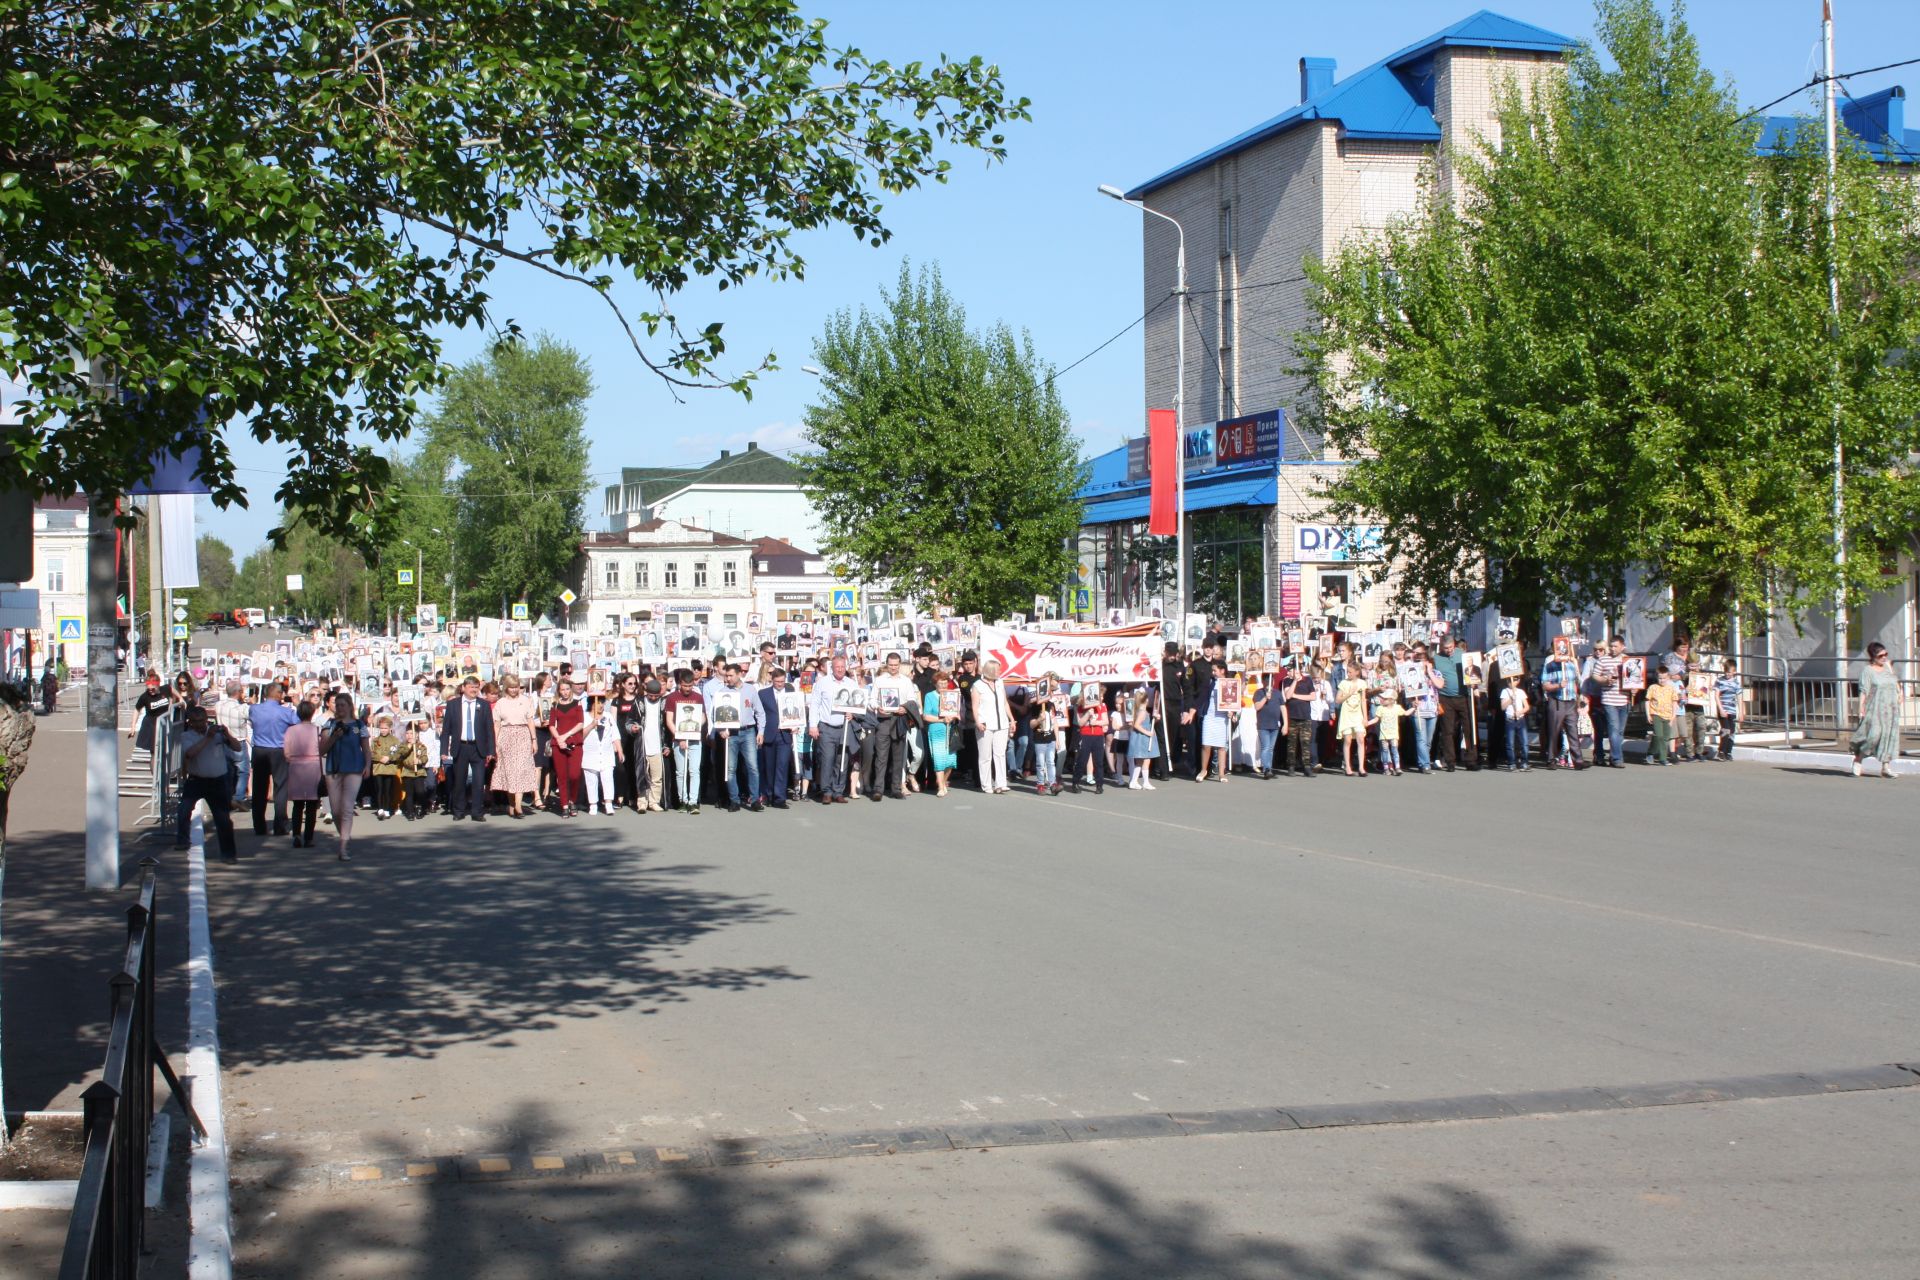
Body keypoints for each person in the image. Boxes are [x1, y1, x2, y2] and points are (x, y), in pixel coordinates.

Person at [175, 705, 239, 861]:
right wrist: (208, 738)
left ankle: (228, 854)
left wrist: (227, 735)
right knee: (183, 811)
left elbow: (237, 747)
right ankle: (182, 840)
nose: (200, 724)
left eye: (202, 720)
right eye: (196, 721)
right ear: (190, 722)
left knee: (223, 819)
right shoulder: (187, 736)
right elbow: (190, 753)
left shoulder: (217, 734)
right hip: (196, 780)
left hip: (217, 780)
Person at [319, 691, 369, 860]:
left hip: (354, 769)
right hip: (333, 770)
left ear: (349, 706)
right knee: (335, 810)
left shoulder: (359, 725)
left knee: (347, 808)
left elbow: (366, 748)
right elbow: (322, 750)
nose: (339, 708)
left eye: (342, 705)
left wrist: (368, 765)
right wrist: (333, 737)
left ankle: (343, 846)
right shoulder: (330, 724)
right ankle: (345, 835)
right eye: (337, 705)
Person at [440, 675, 496, 821]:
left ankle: (477, 812)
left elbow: (489, 729)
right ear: (463, 688)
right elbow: (446, 730)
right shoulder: (453, 705)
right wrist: (443, 751)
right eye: (471, 687)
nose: (474, 690)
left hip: (478, 748)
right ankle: (459, 811)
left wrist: (491, 750)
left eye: (476, 687)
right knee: (460, 781)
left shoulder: (483, 705)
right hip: (461, 747)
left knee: (478, 782)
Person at [248, 681, 299, 836]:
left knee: (259, 788)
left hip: (260, 750)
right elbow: (297, 723)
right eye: (281, 693)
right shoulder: (286, 712)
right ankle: (279, 825)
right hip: (278, 750)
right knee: (281, 787)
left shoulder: (254, 709)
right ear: (278, 694)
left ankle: (259, 825)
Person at [807, 654, 857, 804]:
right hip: (826, 727)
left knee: (842, 760)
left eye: (842, 667)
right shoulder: (823, 683)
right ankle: (826, 791)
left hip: (845, 727)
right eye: (837, 667)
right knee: (827, 759)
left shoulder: (851, 683)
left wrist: (853, 712)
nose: (840, 670)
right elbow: (814, 704)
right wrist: (813, 725)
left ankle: (838, 791)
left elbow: (858, 704)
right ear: (832, 668)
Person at [491, 672, 540, 818]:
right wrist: (496, 743)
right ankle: (511, 804)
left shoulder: (526, 700)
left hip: (523, 735)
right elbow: (497, 725)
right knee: (509, 773)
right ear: (506, 688)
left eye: (516, 687)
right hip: (506, 736)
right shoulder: (500, 703)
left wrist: (534, 739)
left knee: (520, 771)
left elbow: (530, 720)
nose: (514, 690)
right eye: (511, 687)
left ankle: (518, 806)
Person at [1849, 642, 1901, 778]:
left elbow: (1894, 682)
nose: (1884, 657)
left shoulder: (1887, 667)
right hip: (1875, 708)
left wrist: (1899, 693)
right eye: (1881, 655)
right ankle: (1858, 759)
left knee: (1889, 737)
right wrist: (1861, 707)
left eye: (1886, 654)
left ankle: (1885, 767)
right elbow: (1864, 690)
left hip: (1891, 708)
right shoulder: (1868, 671)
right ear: (1873, 657)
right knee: (1873, 736)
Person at [715, 664, 763, 812]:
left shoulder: (750, 690)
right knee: (730, 769)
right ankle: (734, 800)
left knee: (752, 767)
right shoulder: (722, 692)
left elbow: (760, 712)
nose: (727, 678)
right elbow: (716, 716)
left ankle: (755, 800)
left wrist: (761, 731)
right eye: (726, 676)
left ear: (738, 675)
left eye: (730, 675)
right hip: (731, 733)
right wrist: (721, 729)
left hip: (748, 731)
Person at [664, 668, 708, 812]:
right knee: (680, 772)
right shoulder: (671, 698)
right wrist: (680, 736)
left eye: (690, 686)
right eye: (684, 685)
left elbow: (702, 717)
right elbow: (669, 720)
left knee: (694, 770)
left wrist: (696, 727)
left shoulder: (698, 697)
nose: (687, 689)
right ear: (679, 683)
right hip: (678, 740)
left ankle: (693, 801)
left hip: (695, 739)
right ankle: (683, 800)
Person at [1430, 637, 1477, 771]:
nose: (1449, 650)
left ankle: (1471, 759)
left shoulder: (1462, 654)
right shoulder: (1437, 659)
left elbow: (1472, 670)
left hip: (1463, 696)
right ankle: (1450, 761)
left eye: (1451, 647)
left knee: (1469, 728)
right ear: (1441, 647)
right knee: (1448, 730)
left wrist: (1474, 681)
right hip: (1446, 698)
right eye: (1446, 648)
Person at [283, 700, 324, 847]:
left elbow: (286, 752)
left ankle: (296, 835)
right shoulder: (317, 730)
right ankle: (309, 838)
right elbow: (322, 749)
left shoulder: (290, 730)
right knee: (312, 805)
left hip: (296, 767)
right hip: (313, 767)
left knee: (298, 805)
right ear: (312, 713)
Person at [1539, 642, 1583, 769]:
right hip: (1557, 701)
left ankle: (1578, 760)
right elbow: (1545, 685)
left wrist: (1576, 665)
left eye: (1565, 647)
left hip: (1570, 701)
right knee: (1554, 731)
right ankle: (1551, 759)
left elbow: (1578, 682)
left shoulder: (1571, 664)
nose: (1562, 649)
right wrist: (1558, 685)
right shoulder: (1550, 664)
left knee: (1573, 731)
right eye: (1559, 647)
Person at [972, 658, 1012, 794]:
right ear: (991, 671)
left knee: (1000, 754)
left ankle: (1001, 783)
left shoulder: (1000, 682)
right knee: (985, 756)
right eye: (998, 669)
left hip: (1002, 723)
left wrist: (1011, 719)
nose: (1000, 672)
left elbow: (1005, 702)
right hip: (985, 724)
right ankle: (986, 784)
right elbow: (975, 706)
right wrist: (977, 721)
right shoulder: (977, 685)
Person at [547, 678, 587, 817]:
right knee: (562, 775)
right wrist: (559, 738)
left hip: (574, 742)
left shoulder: (578, 704)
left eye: (567, 689)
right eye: (562, 689)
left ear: (571, 690)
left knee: (574, 775)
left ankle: (572, 800)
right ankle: (564, 804)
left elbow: (581, 723)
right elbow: (551, 724)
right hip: (559, 744)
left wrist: (566, 735)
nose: (565, 692)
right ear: (559, 691)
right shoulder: (555, 705)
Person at [757, 667, 794, 809]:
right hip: (769, 733)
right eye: (777, 681)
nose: (780, 684)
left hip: (785, 734)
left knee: (782, 766)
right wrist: (760, 732)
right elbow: (759, 714)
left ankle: (780, 798)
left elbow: (798, 711)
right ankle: (769, 794)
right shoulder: (763, 694)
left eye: (782, 681)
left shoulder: (791, 692)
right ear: (772, 680)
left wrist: (796, 725)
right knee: (769, 767)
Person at [580, 696, 624, 814]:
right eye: (598, 703)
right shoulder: (584, 717)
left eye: (602, 703)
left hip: (606, 753)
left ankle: (608, 803)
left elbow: (615, 734)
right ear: (591, 703)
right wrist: (591, 726)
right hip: (590, 754)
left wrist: (619, 750)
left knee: (608, 778)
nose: (600, 705)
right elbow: (580, 736)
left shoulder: (608, 716)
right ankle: (593, 804)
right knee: (591, 780)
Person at [924, 668, 959, 796]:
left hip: (950, 731)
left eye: (945, 683)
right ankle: (940, 787)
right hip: (937, 730)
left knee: (950, 761)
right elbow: (926, 716)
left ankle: (943, 782)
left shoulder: (952, 695)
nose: (943, 685)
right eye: (940, 683)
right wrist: (941, 719)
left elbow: (957, 713)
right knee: (939, 759)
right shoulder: (930, 696)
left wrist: (954, 716)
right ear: (935, 684)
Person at [1071, 681, 1107, 794]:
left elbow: (1105, 721)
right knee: (1082, 760)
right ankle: (1075, 782)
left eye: (1102, 695)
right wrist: (1087, 714)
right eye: (1100, 695)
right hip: (1085, 735)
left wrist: (1096, 721)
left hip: (1098, 735)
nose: (1101, 697)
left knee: (1099, 761)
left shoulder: (1102, 706)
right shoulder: (1081, 707)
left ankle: (1099, 784)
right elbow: (1080, 723)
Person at [1337, 662, 1371, 777]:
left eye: (1350, 672)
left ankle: (1361, 767)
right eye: (1347, 672)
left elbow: (1363, 700)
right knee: (1347, 740)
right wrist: (1349, 693)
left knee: (1360, 738)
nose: (1348, 674)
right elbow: (1338, 700)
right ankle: (1348, 767)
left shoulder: (1362, 683)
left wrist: (1365, 717)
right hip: (1347, 714)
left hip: (1357, 715)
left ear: (1357, 672)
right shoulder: (1344, 683)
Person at [1283, 664, 1317, 779]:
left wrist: (1296, 696)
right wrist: (1295, 682)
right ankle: (1291, 766)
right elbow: (1288, 695)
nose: (1288, 673)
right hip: (1292, 716)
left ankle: (1307, 766)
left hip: (1305, 716)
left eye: (1290, 670)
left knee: (1305, 742)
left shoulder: (1307, 680)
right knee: (1292, 743)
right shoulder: (1287, 681)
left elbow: (1312, 697)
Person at [368, 714, 404, 817]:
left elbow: (398, 753)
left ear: (390, 728)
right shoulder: (375, 740)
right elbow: (371, 753)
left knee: (388, 789)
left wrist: (389, 758)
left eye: (385, 728)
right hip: (378, 768)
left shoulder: (395, 740)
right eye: (381, 728)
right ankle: (380, 808)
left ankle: (387, 808)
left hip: (389, 768)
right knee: (379, 789)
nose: (383, 730)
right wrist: (380, 758)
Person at [1644, 666, 1679, 765]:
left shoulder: (1671, 688)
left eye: (1664, 678)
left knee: (1665, 738)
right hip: (1656, 714)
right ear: (1656, 677)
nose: (1662, 680)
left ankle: (1656, 755)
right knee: (1659, 735)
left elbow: (1674, 703)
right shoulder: (1653, 688)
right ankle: (1657, 756)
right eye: (1660, 678)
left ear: (1668, 677)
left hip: (1668, 716)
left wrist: (1673, 716)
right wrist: (1648, 715)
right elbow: (1647, 701)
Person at [1127, 686, 1159, 790]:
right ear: (1146, 700)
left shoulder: (1141, 711)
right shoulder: (1142, 712)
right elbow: (1136, 725)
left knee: (1140, 761)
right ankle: (1145, 782)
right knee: (1146, 760)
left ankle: (1133, 781)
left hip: (1142, 738)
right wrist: (1147, 732)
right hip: (1142, 739)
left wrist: (1156, 719)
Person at [1499, 675, 1532, 771]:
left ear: (1518, 681)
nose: (1511, 682)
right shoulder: (1505, 691)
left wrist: (1520, 712)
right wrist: (1510, 699)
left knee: (1524, 742)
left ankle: (1524, 762)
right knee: (1510, 743)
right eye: (1509, 680)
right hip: (1510, 719)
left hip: (1520, 719)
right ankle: (1511, 763)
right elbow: (1502, 707)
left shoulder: (1521, 692)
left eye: (1514, 680)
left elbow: (1526, 707)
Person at [1713, 660, 1743, 762]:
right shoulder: (1719, 681)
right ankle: (1721, 751)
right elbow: (1716, 696)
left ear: (1734, 671)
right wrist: (1721, 709)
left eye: (1730, 672)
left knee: (1732, 731)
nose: (1727, 674)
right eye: (1726, 671)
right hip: (1723, 709)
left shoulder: (1736, 683)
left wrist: (1742, 712)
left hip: (1732, 710)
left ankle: (1728, 752)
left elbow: (1739, 698)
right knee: (1725, 729)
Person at [1375, 686, 1405, 776]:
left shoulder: (1397, 707)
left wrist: (1414, 707)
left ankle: (1397, 767)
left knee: (1394, 750)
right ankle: (1386, 768)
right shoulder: (1380, 708)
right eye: (1382, 698)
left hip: (1394, 734)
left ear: (1391, 700)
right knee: (1384, 750)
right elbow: (1376, 719)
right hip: (1384, 734)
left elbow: (1406, 713)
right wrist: (1367, 723)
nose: (1382, 699)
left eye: (1385, 698)